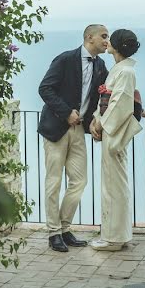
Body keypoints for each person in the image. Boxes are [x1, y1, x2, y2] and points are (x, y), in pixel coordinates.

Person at [38, 24, 109, 252]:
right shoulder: (65, 59)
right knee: (54, 182)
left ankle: (65, 228)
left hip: (79, 130)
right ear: (90, 37)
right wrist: (66, 112)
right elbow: (45, 88)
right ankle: (53, 233)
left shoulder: (101, 65)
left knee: (79, 181)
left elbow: (110, 93)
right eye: (104, 36)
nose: (107, 41)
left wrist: (138, 109)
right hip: (56, 128)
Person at [89, 29, 145, 251]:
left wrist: (100, 123)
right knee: (113, 184)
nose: (107, 42)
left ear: (116, 46)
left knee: (114, 185)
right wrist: (96, 119)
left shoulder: (125, 72)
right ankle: (116, 234)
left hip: (114, 134)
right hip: (111, 130)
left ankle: (113, 238)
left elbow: (118, 103)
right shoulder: (121, 69)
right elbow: (109, 101)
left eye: (110, 39)